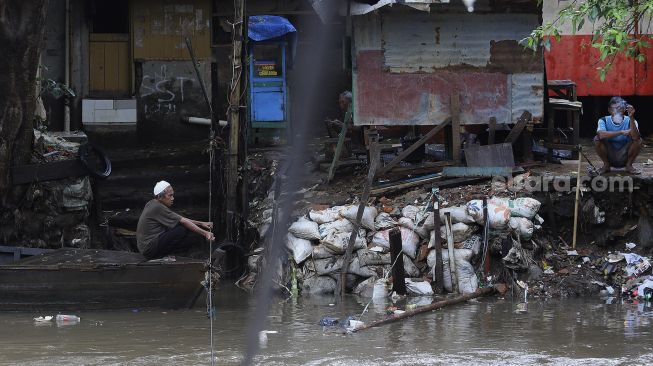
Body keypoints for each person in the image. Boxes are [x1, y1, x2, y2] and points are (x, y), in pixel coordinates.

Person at [136, 180, 215, 259]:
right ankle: (161, 256)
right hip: (149, 250)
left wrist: (201, 223)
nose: (172, 198)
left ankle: (165, 254)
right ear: (160, 197)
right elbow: (183, 221)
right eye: (170, 196)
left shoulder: (153, 203)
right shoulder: (157, 207)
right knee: (181, 230)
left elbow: (180, 218)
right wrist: (205, 233)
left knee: (180, 225)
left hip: (147, 247)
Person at [594, 96, 642, 174]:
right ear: (609, 110)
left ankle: (629, 165)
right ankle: (606, 165)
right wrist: (621, 132)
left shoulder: (631, 120)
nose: (616, 111)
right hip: (610, 155)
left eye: (619, 108)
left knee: (638, 140)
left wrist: (631, 116)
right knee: (597, 139)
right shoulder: (603, 120)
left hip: (625, 155)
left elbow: (636, 137)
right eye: (613, 108)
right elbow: (601, 135)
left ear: (623, 109)